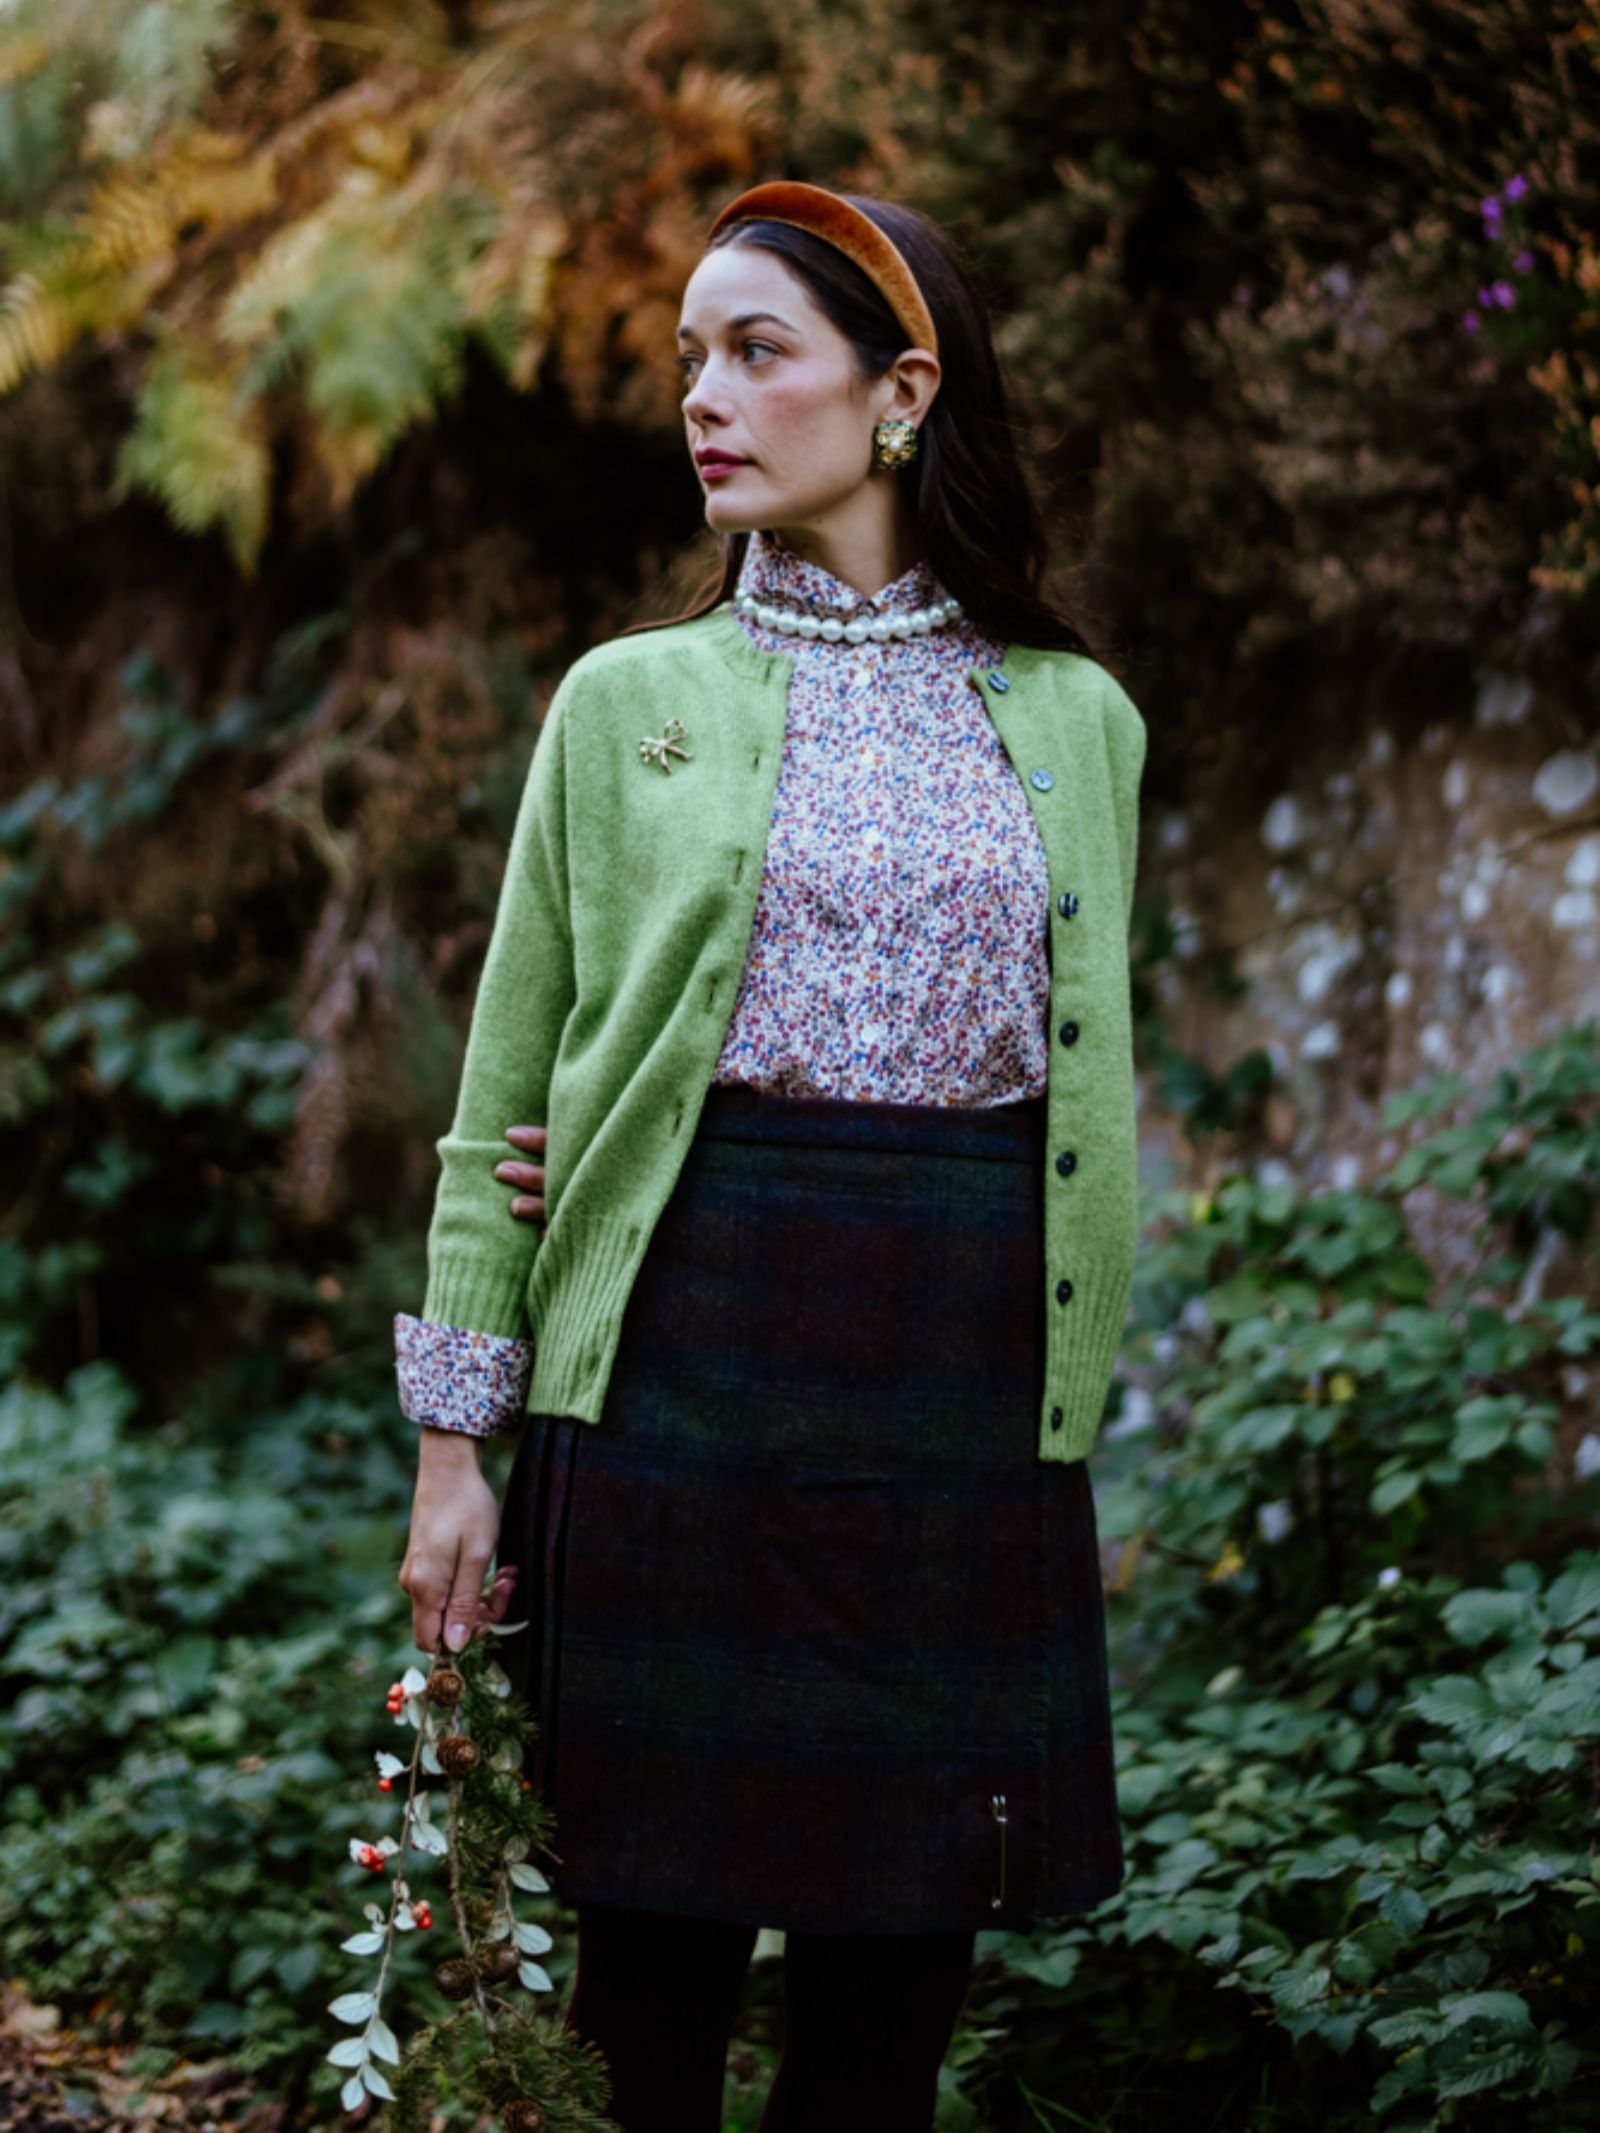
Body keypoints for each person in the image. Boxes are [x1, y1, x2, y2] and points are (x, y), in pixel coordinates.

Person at [393, 179, 1148, 2133]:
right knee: (640, 1988)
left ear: (901, 393)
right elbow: (504, 1096)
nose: (702, 398)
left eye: (754, 351)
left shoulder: (1081, 722)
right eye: (686, 360)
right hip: (676, 1361)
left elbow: (1079, 1086)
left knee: (889, 2009)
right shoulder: (624, 705)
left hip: (954, 1384)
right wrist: (455, 1443)